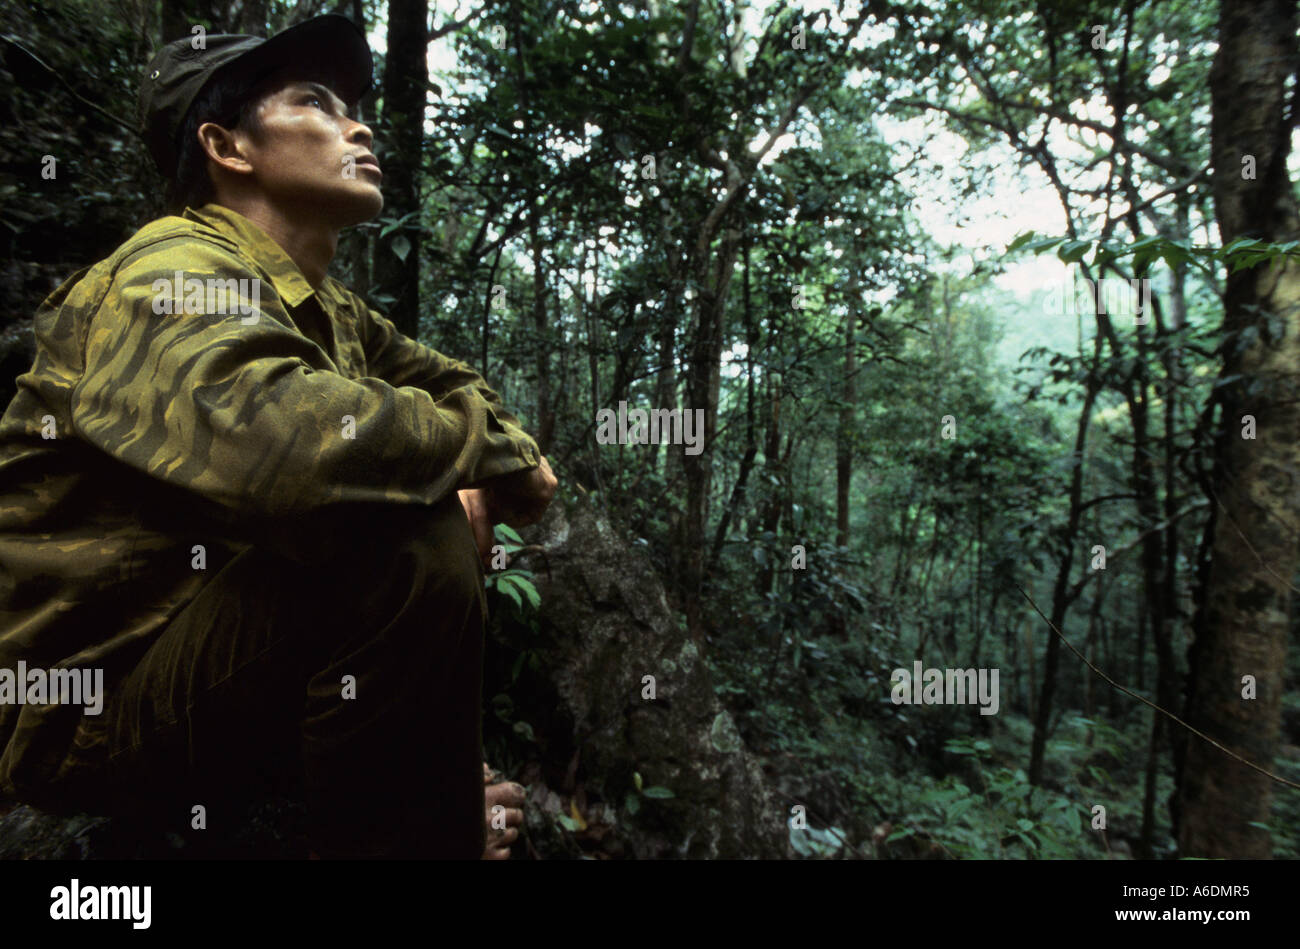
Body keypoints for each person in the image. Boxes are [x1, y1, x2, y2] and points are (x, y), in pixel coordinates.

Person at [0, 13, 555, 859]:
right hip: (91, 716)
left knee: (403, 510)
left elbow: (463, 388)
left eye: (354, 107)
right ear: (228, 148)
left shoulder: (330, 305)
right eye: (316, 102)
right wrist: (476, 462)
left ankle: (427, 808)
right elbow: (293, 449)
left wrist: (483, 456)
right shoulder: (167, 271)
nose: (359, 125)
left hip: (218, 659)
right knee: (401, 529)